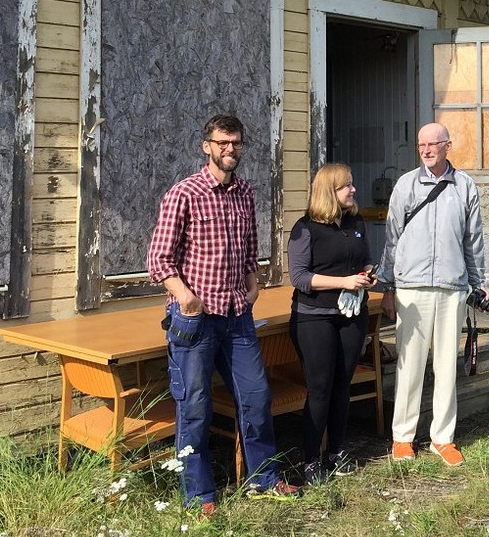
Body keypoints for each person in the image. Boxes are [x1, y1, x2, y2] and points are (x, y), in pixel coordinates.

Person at [147, 113, 301, 514]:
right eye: (222, 143)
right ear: (207, 146)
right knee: (195, 406)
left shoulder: (245, 192)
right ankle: (199, 497)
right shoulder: (183, 194)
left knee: (256, 398)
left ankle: (264, 479)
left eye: (235, 143)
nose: (229, 149)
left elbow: (249, 247)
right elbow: (159, 260)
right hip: (195, 322)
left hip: (237, 317)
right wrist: (185, 297)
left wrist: (253, 280)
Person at [376, 122, 489, 467]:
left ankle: (443, 439)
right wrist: (388, 287)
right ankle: (403, 438)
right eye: (421, 145)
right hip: (411, 287)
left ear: (447, 146)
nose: (426, 150)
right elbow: (392, 238)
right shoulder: (406, 184)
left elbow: (473, 239)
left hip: (451, 287)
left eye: (433, 144)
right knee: (410, 366)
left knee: (445, 367)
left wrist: (478, 281)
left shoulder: (465, 185)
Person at [287, 163, 376, 485]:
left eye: (351, 184)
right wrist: (344, 281)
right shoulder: (305, 227)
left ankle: (337, 452)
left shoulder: (355, 222)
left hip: (352, 315)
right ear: (330, 191)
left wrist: (367, 272)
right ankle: (311, 459)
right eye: (346, 186)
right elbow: (299, 277)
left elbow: (363, 258)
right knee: (320, 388)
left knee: (342, 386)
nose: (353, 189)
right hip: (314, 318)